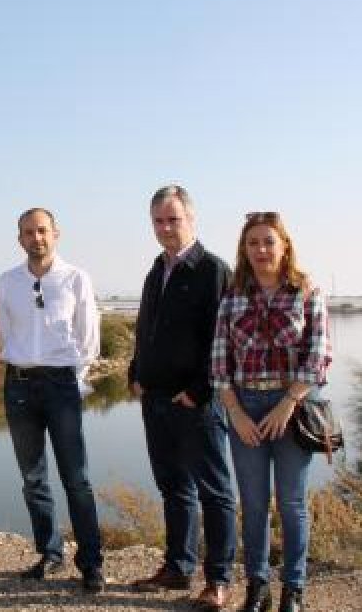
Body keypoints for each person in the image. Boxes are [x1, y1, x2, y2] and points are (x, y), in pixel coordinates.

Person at [211, 212, 332, 612]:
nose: (261, 249)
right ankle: (257, 587)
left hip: (292, 408)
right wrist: (235, 413)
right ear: (244, 250)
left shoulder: (307, 293)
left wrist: (288, 403)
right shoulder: (233, 296)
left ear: (284, 246)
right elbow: (219, 361)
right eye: (253, 243)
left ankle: (293, 589)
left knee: (292, 504)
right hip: (244, 407)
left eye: (268, 241)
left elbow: (318, 356)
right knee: (254, 504)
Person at [128, 185, 237, 611]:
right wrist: (136, 373)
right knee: (173, 488)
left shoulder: (213, 270)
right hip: (155, 400)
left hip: (195, 404)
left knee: (215, 492)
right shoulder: (157, 269)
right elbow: (145, 327)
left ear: (191, 219)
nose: (165, 228)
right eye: (158, 221)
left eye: (173, 219)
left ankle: (219, 580)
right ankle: (177, 567)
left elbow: (222, 338)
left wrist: (199, 391)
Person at [0, 207, 105, 594]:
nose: (36, 237)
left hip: (61, 385)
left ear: (55, 234)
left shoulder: (76, 278)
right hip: (19, 386)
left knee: (76, 478)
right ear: (19, 239)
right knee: (33, 477)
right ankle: (50, 552)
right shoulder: (7, 281)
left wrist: (74, 380)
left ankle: (91, 562)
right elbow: (4, 332)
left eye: (42, 230)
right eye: (28, 232)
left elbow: (89, 339)